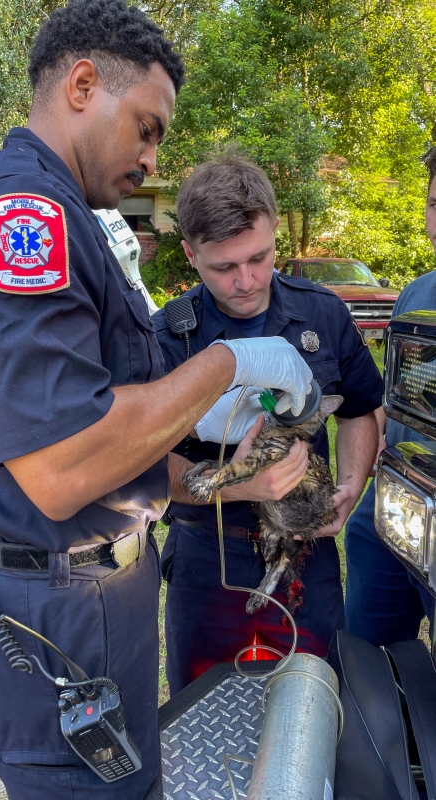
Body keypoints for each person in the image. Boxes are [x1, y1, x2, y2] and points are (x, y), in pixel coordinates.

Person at [0, 3, 316, 798]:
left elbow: (108, 439)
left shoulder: (76, 219)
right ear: (83, 84)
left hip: (92, 584)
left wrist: (222, 476)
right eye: (145, 125)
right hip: (58, 603)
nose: (150, 156)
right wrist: (231, 360)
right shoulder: (19, 216)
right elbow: (63, 466)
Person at [153, 152, 383, 696]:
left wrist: (350, 489)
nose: (246, 280)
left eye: (259, 258)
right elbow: (142, 460)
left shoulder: (323, 314)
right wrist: (240, 485)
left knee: (318, 696)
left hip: (307, 548)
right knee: (202, 698)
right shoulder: (167, 338)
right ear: (190, 254)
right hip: (207, 553)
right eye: (223, 267)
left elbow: (358, 409)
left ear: (275, 230)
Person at [344, 147, 436, 647]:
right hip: (395, 502)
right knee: (365, 657)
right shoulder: (415, 296)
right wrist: (381, 436)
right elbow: (394, 394)